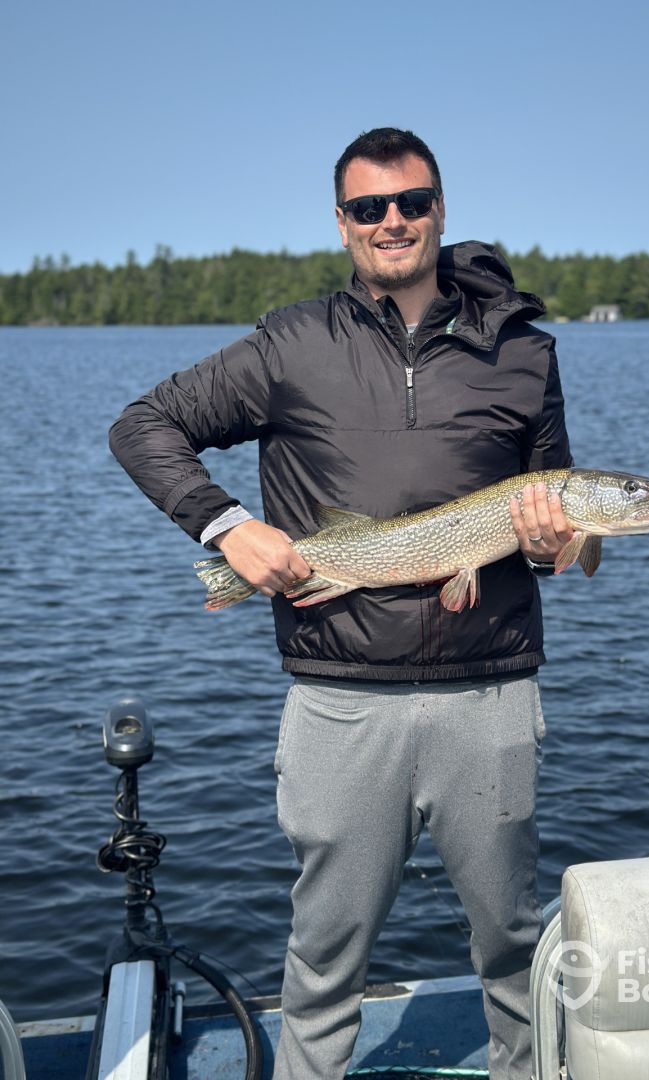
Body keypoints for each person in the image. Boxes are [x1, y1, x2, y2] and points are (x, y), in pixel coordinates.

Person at [109, 127, 575, 1080]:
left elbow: (552, 511)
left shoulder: (523, 351)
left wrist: (553, 541)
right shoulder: (292, 344)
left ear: (440, 211)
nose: (392, 220)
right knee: (324, 955)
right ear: (343, 222)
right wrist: (227, 527)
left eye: (412, 202)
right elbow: (144, 427)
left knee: (514, 945)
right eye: (370, 207)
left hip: (488, 694)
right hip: (339, 699)